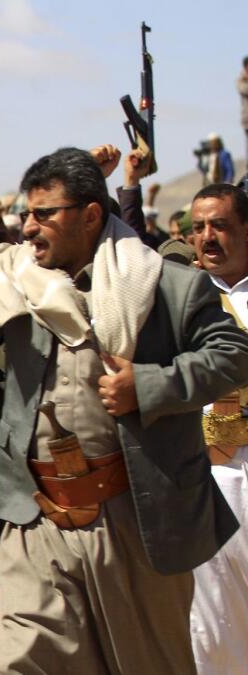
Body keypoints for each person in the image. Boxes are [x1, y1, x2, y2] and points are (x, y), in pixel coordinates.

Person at [0, 147, 248, 673]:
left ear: (90, 215)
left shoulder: (166, 286)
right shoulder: (12, 281)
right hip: (35, 516)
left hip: (132, 518)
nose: (29, 226)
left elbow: (234, 354)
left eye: (45, 214)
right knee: (27, 660)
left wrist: (151, 384)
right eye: (27, 213)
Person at [190, 182, 248, 673]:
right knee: (211, 631)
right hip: (204, 478)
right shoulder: (177, 303)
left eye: (220, 226)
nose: (207, 237)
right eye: (199, 228)